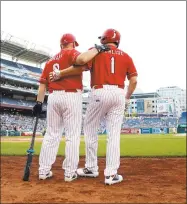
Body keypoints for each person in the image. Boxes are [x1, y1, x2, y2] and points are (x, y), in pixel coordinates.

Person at [49, 29, 138, 185]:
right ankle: (111, 175)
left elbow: (79, 65)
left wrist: (60, 73)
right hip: (119, 93)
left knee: (90, 130)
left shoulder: (96, 52)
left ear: (104, 39)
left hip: (99, 91)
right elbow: (134, 81)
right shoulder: (127, 56)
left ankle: (91, 167)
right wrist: (127, 97)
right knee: (114, 135)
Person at [33, 33, 110, 182]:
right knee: (72, 136)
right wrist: (96, 49)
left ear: (61, 44)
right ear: (73, 44)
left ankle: (43, 171)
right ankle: (69, 173)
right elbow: (81, 60)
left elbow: (42, 84)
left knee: (51, 134)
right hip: (71, 96)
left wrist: (38, 102)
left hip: (53, 97)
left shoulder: (50, 61)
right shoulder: (72, 52)